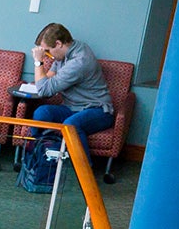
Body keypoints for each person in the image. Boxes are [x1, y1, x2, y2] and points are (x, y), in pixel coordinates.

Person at [20, 22, 115, 151]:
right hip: (71, 108)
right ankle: (38, 156)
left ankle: (82, 169)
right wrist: (40, 81)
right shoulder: (66, 52)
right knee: (41, 113)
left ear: (58, 44)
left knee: (71, 125)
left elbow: (44, 91)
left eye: (47, 51)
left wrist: (38, 62)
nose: (48, 55)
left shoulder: (79, 62)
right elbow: (48, 77)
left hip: (97, 110)